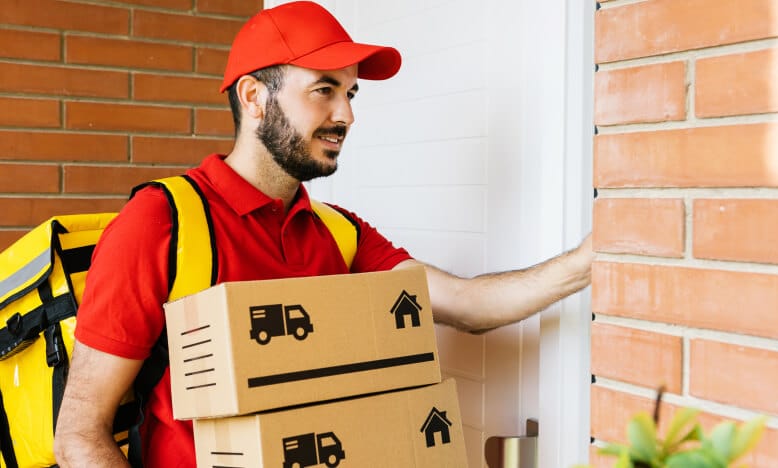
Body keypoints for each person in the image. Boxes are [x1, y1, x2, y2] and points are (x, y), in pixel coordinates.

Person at [53, 1, 594, 467]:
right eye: (324, 90)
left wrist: (591, 260)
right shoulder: (162, 223)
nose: (347, 115)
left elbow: (469, 306)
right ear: (253, 97)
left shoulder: (339, 233)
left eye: (352, 93)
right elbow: (78, 434)